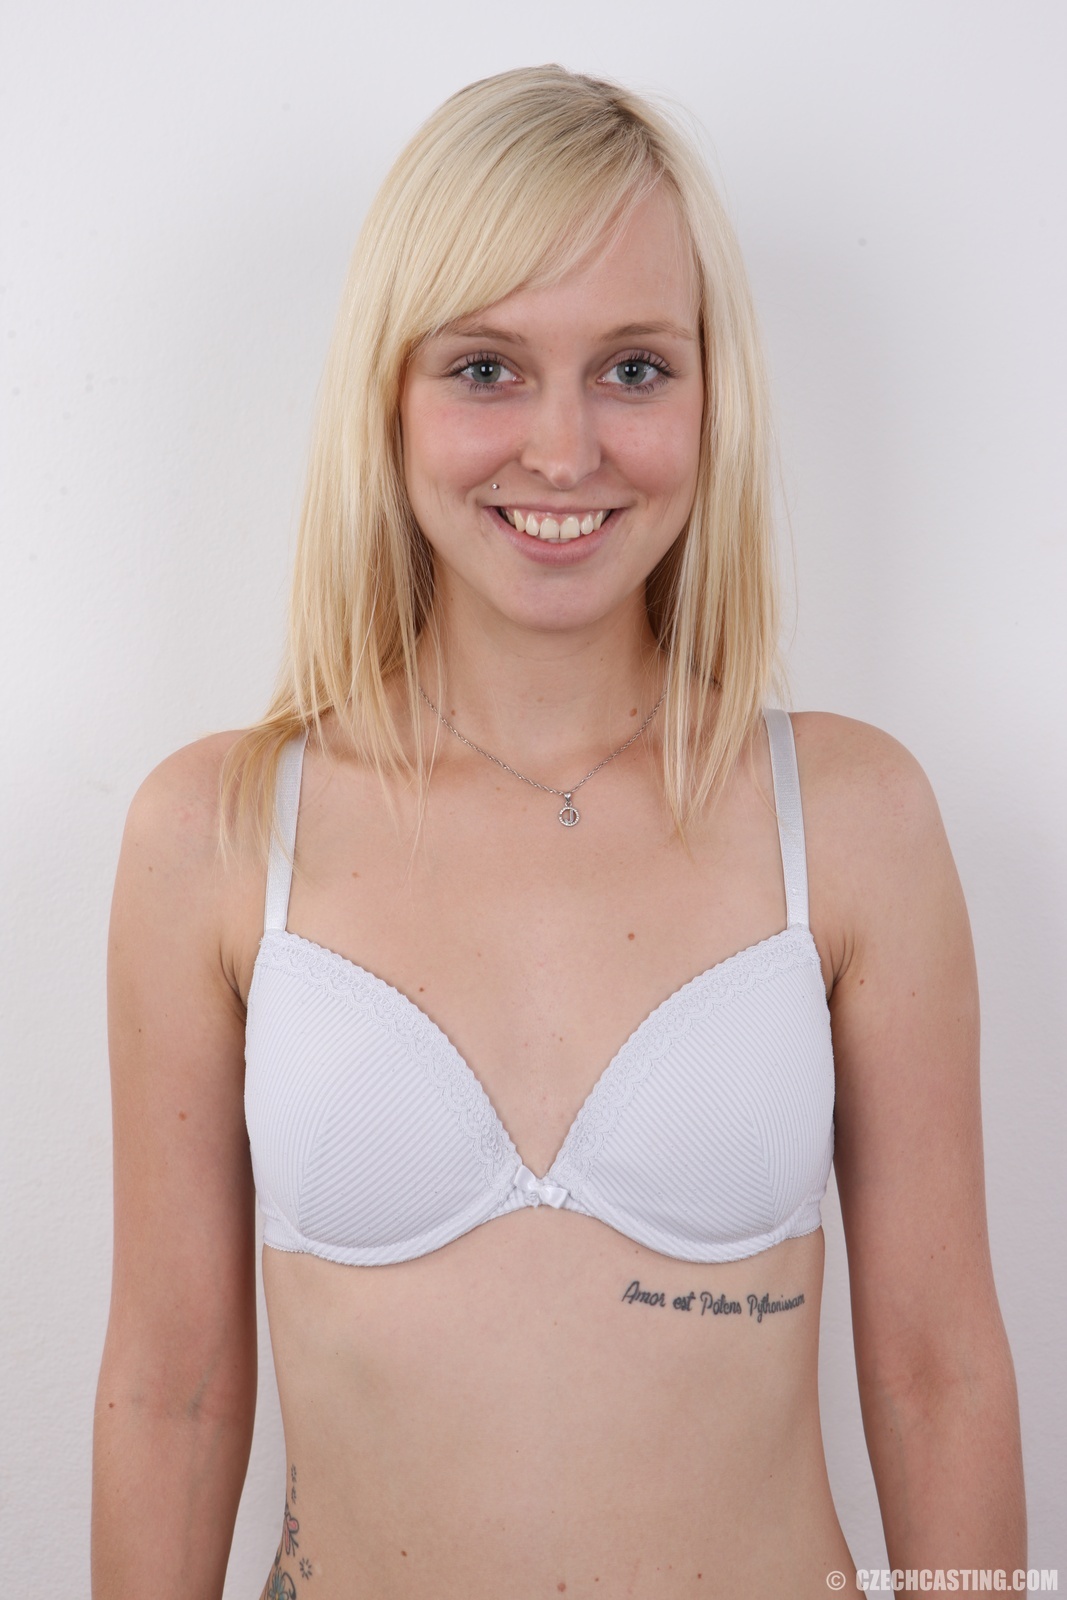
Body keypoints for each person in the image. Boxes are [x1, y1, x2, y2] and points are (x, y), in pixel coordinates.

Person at [92, 65, 1025, 1599]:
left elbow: (942, 1375)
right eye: (487, 368)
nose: (565, 449)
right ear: (388, 397)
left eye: (635, 368)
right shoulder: (214, 836)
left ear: (713, 397)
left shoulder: (853, 823)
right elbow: (171, 1391)